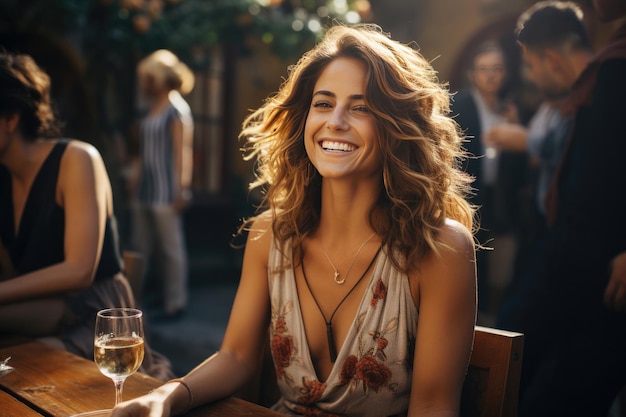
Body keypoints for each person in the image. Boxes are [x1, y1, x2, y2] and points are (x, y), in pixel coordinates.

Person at [111, 24, 477, 417]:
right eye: (323, 103)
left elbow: (433, 407)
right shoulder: (271, 234)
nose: (335, 121)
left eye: (361, 107)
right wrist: (165, 396)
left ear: (398, 127)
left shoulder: (440, 249)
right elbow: (235, 356)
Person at [0, 51, 173, 380]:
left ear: (10, 119)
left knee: (15, 368)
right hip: (44, 306)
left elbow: (79, 271)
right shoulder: (3, 178)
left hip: (95, 312)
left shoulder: (75, 159)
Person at [499, 1, 626, 415]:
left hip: (594, 273)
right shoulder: (593, 81)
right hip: (567, 255)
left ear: (550, 58)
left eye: (532, 66)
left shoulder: (612, 75)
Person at [450, 42, 528, 322]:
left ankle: (492, 321)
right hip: (467, 195)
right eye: (484, 69)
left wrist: (517, 127)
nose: (491, 76)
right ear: (472, 74)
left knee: (500, 269)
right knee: (468, 263)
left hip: (502, 199)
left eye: (497, 69)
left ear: (505, 73)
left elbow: (521, 168)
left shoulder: (510, 109)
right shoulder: (458, 105)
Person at [128, 49, 194, 318]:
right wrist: (135, 178)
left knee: (170, 248)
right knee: (140, 247)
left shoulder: (177, 109)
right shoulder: (150, 108)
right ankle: (133, 303)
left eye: (149, 78)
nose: (145, 83)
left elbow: (183, 151)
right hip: (146, 190)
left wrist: (182, 188)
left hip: (167, 191)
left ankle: (175, 303)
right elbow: (144, 151)